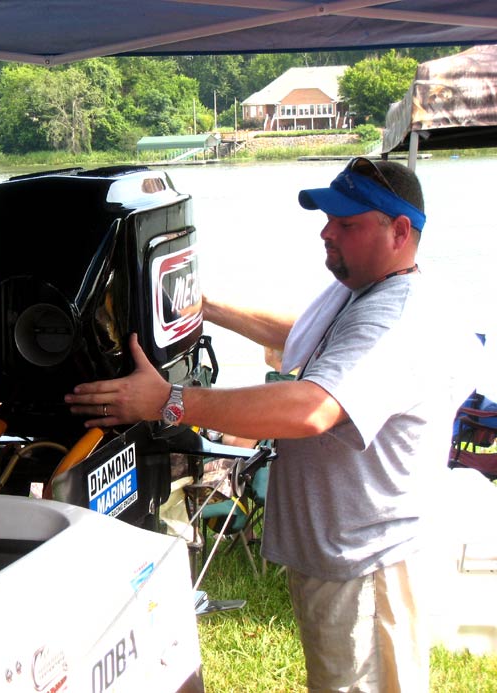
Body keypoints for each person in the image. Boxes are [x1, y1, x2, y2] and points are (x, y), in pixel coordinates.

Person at [66, 157, 482, 691]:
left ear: (401, 231)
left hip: (368, 568)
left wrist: (169, 401)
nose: (326, 232)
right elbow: (304, 337)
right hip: (341, 558)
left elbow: (311, 408)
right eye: (329, 217)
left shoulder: (398, 318)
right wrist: (203, 305)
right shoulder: (360, 290)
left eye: (347, 224)